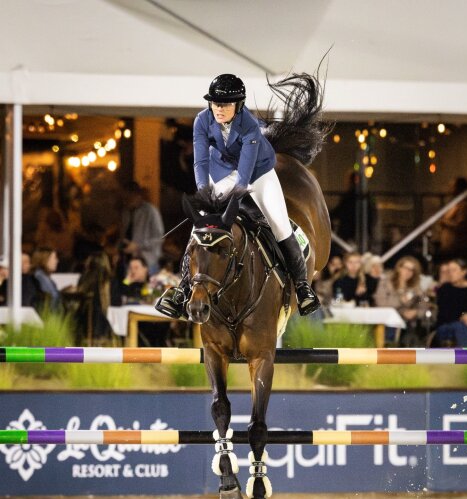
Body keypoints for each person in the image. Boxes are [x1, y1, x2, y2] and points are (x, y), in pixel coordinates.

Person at [155, 73, 320, 320]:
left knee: (279, 225)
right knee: (199, 229)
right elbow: (200, 161)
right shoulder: (202, 120)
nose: (219, 109)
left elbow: (244, 174)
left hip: (258, 173)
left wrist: (231, 204)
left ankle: (302, 287)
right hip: (221, 173)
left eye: (226, 104)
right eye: (216, 103)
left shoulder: (249, 125)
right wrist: (205, 196)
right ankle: (183, 290)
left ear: (239, 105)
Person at [374, 256, 432, 346]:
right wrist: (400, 302)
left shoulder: (415, 287)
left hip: (407, 324)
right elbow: (381, 304)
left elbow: (423, 304)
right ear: (399, 268)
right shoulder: (385, 283)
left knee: (413, 333)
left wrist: (416, 312)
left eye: (412, 270)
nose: (408, 272)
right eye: (406, 268)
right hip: (387, 322)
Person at [434, 258, 467, 347]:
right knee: (459, 326)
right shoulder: (444, 289)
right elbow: (444, 313)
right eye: (448, 271)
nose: (450, 273)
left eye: (454, 270)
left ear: (464, 271)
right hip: (447, 325)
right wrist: (462, 316)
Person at [121, 182, 164, 274]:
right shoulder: (126, 212)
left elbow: (159, 238)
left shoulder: (151, 211)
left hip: (148, 263)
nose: (126, 201)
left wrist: (138, 246)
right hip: (130, 261)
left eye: (129, 197)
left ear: (137, 195)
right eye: (125, 198)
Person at [438, 177, 467, 261]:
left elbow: (461, 225)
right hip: (449, 248)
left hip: (457, 249)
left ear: (459, 188)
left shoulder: (464, 206)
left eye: (453, 186)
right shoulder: (455, 204)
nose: (450, 189)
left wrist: (445, 221)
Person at [31, 247, 61, 311]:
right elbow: (52, 298)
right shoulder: (41, 277)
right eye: (55, 258)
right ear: (45, 259)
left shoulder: (42, 276)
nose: (57, 261)